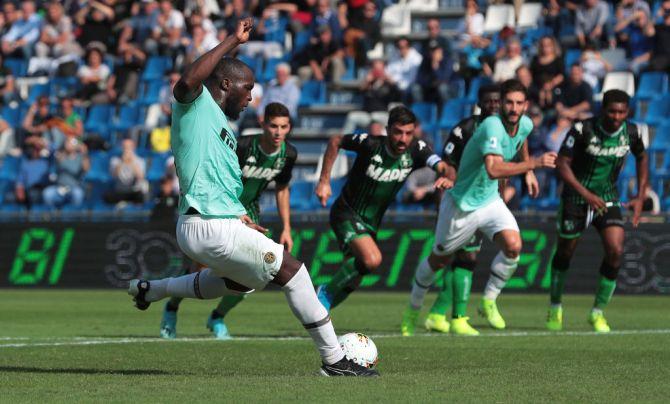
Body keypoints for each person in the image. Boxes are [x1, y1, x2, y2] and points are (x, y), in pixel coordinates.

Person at [126, 18, 377, 377]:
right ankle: (335, 359)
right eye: (248, 89)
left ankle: (153, 290)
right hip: (207, 225)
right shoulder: (195, 106)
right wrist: (232, 41)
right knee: (295, 272)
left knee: (243, 282)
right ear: (226, 84)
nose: (251, 97)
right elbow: (186, 82)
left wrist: (239, 216)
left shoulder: (222, 128)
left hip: (214, 222)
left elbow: (214, 180)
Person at [401, 80, 557, 336]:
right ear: (501, 104)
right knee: (437, 261)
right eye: (509, 102)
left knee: (514, 246)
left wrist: (527, 169)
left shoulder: (526, 123)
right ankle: (413, 310)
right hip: (462, 204)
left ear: (525, 105)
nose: (513, 108)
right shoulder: (491, 126)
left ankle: (488, 300)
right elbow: (494, 168)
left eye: (519, 103)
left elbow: (521, 139)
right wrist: (535, 164)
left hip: (490, 200)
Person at [159, 102, 298, 340]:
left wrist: (286, 227)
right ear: (263, 124)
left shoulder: (289, 154)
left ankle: (217, 317)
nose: (278, 132)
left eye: (284, 127)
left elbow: (282, 190)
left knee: (256, 273)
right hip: (219, 208)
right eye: (274, 126)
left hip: (250, 214)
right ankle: (172, 307)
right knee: (200, 268)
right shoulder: (243, 146)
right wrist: (231, 210)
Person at [314, 106, 452, 311]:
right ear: (388, 130)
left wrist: (445, 175)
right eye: (398, 132)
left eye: (408, 133)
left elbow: (441, 166)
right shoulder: (370, 144)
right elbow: (336, 140)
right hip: (346, 212)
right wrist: (324, 181)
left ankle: (319, 315)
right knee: (372, 259)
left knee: (355, 279)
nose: (403, 139)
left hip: (372, 223)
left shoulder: (417, 149)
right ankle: (324, 293)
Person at [546, 89, 648, 333]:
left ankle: (597, 312)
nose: (616, 116)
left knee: (616, 250)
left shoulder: (632, 132)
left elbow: (642, 158)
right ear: (603, 110)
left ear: (627, 113)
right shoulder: (583, 130)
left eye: (621, 112)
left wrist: (640, 196)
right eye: (612, 111)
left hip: (607, 199)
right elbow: (562, 164)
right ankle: (555, 306)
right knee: (565, 253)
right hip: (575, 198)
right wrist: (586, 194)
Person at [418, 84, 509, 334]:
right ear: (479, 102)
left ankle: (438, 314)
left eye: (496, 101)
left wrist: (502, 194)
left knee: (463, 257)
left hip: (488, 201)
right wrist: (449, 180)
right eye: (488, 101)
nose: (493, 105)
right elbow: (448, 164)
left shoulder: (503, 130)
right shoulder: (464, 129)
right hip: (462, 201)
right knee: (464, 257)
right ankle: (457, 317)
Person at [43, 138, 89, 209]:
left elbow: (86, 169)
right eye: (68, 142)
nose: (69, 144)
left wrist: (84, 153)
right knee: (47, 193)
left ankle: (74, 217)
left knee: (78, 194)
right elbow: (58, 159)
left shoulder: (80, 158)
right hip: (59, 187)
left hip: (73, 188)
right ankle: (51, 216)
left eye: (72, 143)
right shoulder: (60, 155)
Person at [104, 138, 147, 205]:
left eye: (128, 147)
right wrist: (122, 162)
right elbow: (114, 175)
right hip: (120, 190)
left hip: (133, 191)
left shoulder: (140, 161)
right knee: (107, 196)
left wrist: (132, 162)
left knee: (140, 196)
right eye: (124, 147)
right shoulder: (115, 160)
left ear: (133, 148)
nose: (126, 149)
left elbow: (141, 177)